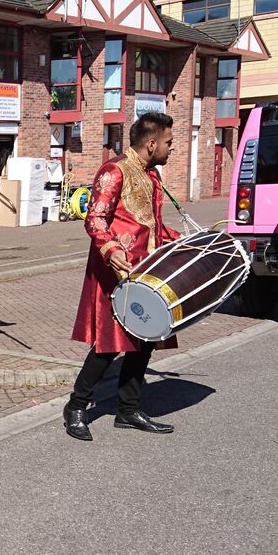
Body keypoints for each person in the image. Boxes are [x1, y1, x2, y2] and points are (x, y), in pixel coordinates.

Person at [63, 112, 181, 441]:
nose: (171, 148)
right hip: (116, 272)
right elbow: (95, 218)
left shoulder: (151, 175)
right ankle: (76, 406)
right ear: (152, 143)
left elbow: (153, 226)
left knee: (145, 340)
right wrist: (111, 248)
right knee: (109, 345)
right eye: (169, 142)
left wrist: (183, 242)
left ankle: (128, 409)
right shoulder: (114, 171)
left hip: (147, 272)